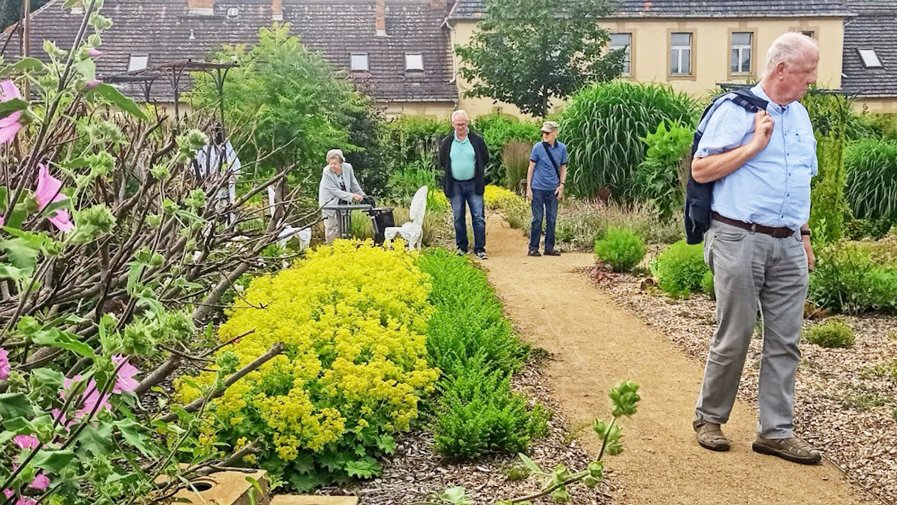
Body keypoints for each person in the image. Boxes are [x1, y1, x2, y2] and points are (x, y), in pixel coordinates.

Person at [691, 32, 821, 465]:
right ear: (781, 69)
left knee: (786, 341)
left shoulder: (800, 116)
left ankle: (775, 433)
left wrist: (804, 236)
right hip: (738, 237)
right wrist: (754, 146)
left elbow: (799, 182)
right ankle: (710, 419)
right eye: (807, 72)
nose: (812, 80)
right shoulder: (735, 110)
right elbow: (701, 169)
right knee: (736, 333)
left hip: (788, 243)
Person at [438, 110, 490, 259]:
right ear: (453, 124)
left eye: (463, 124)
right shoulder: (447, 142)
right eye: (458, 124)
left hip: (474, 184)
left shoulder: (477, 140)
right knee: (458, 217)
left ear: (467, 123)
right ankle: (461, 247)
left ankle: (479, 248)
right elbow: (442, 161)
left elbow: (485, 158)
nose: (460, 127)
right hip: (455, 185)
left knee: (478, 217)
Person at [526, 121, 568, 257]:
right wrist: (529, 188)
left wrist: (562, 185)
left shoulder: (562, 148)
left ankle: (549, 248)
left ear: (555, 133)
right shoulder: (537, 148)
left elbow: (563, 168)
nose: (545, 135)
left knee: (552, 218)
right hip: (538, 188)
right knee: (537, 218)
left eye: (548, 133)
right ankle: (533, 248)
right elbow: (531, 168)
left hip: (553, 189)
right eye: (543, 132)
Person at [194, 123, 241, 226]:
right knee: (209, 214)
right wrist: (202, 177)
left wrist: (228, 177)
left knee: (228, 211)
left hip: (225, 186)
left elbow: (236, 166)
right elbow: (195, 166)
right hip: (209, 186)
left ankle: (229, 229)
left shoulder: (226, 147)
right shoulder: (204, 148)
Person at [318, 149, 365, 244]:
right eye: (330, 163)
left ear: (341, 163)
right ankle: (331, 247)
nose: (332, 166)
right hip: (329, 201)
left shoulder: (348, 167)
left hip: (343, 201)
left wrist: (362, 195)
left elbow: (353, 183)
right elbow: (335, 191)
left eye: (334, 163)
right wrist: (352, 196)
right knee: (332, 227)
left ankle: (343, 247)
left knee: (343, 226)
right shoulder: (326, 171)